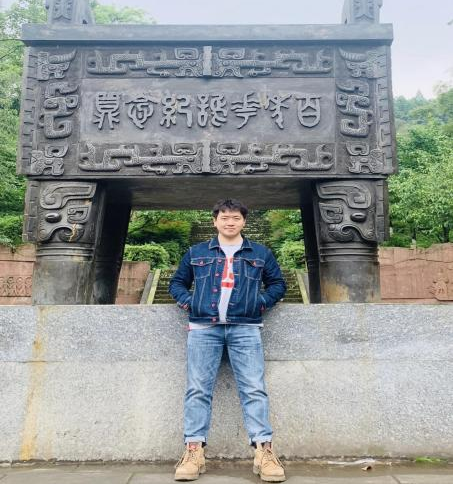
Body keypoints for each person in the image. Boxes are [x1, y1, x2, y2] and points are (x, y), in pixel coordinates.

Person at [169, 199, 287, 482]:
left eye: (235, 218)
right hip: (203, 328)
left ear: (243, 221)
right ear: (215, 221)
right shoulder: (196, 252)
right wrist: (191, 304)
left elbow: (278, 284)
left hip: (245, 327)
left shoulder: (260, 253)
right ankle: (194, 452)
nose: (230, 222)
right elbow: (177, 283)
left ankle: (264, 452)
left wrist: (259, 303)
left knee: (254, 389)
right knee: (198, 389)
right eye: (224, 218)